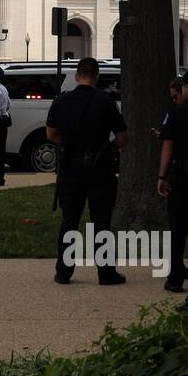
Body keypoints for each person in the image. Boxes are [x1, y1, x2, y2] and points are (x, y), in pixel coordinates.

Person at [47, 58, 129, 285]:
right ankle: (105, 272)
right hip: (99, 170)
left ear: (76, 75)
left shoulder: (61, 101)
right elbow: (123, 139)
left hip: (70, 169)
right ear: (97, 76)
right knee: (101, 222)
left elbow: (51, 135)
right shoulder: (106, 102)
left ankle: (64, 272)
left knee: (69, 221)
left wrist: (71, 144)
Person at [156, 69, 188, 292]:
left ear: (186, 88)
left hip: (180, 174)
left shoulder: (177, 112)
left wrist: (162, 175)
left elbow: (167, 146)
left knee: (177, 228)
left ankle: (175, 278)